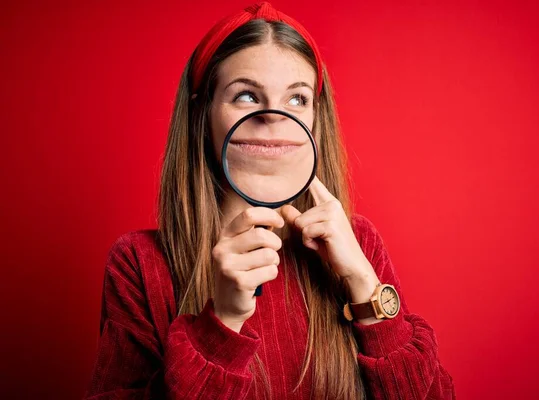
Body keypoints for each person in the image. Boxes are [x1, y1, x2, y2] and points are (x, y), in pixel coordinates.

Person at [85, 2, 455, 399]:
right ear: (202, 113)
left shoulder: (357, 241)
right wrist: (221, 325)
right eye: (246, 96)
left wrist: (364, 284)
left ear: (316, 118)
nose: (274, 118)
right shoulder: (138, 263)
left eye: (297, 99)